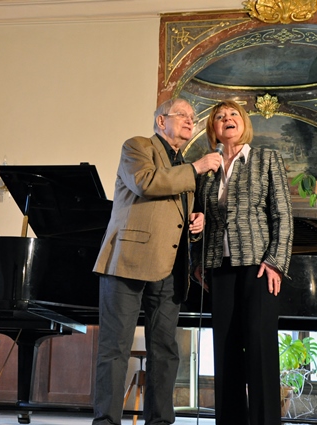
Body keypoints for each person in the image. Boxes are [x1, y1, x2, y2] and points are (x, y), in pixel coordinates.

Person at [92, 98, 222, 425]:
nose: (190, 120)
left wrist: (196, 220)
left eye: (193, 117)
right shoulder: (137, 146)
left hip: (170, 268)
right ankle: (106, 422)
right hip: (128, 260)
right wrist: (196, 169)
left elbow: (173, 216)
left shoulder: (184, 164)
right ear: (161, 121)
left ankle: (161, 421)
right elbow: (146, 182)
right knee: (115, 349)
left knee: (165, 351)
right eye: (182, 115)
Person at [192, 100, 294, 425]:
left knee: (260, 348)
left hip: (258, 266)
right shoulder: (206, 169)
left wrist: (276, 261)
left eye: (233, 114)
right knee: (226, 351)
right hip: (218, 268)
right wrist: (197, 257)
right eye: (220, 116)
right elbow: (198, 219)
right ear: (213, 128)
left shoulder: (266, 159)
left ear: (243, 122)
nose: (227, 118)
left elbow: (282, 214)